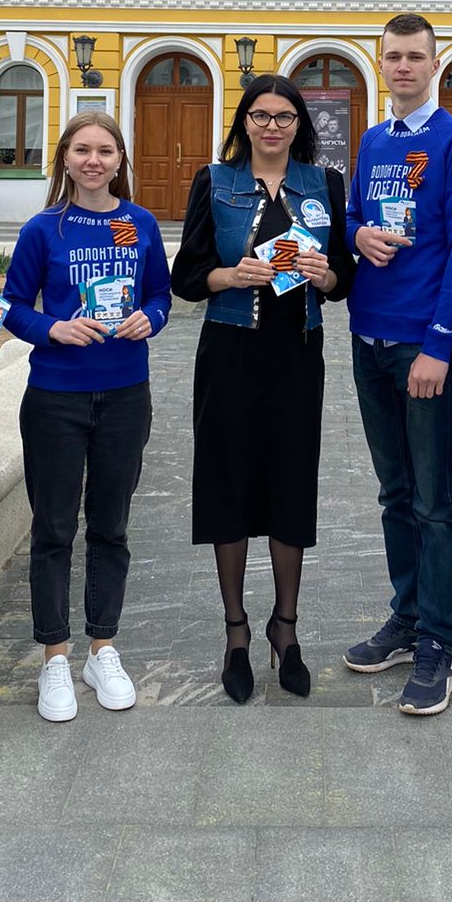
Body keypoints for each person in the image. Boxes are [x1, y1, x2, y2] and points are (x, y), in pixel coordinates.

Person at [171, 73, 354, 703]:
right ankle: (236, 632)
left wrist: (325, 273)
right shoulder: (213, 181)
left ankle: (286, 627)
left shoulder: (324, 184)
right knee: (228, 484)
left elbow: (345, 280)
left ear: (299, 125)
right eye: (260, 115)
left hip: (297, 356)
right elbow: (187, 277)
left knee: (289, 485)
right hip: (229, 354)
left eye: (284, 116)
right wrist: (230, 274)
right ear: (244, 121)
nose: (272, 126)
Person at [3, 112, 171, 723]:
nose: (94, 160)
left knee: (111, 525)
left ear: (120, 159)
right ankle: (54, 656)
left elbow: (161, 295)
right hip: (56, 397)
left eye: (105, 150)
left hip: (126, 393)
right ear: (66, 160)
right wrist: (53, 328)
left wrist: (149, 319)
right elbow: (13, 307)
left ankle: (103, 646)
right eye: (82, 151)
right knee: (53, 529)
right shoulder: (44, 229)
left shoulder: (139, 223)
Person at [343, 12, 452, 716]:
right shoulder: (372, 140)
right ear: (382, 62)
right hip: (366, 335)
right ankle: (406, 617)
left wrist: (438, 342)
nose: (403, 67)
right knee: (394, 492)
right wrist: (359, 231)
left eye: (414, 57)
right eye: (393, 56)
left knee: (436, 501)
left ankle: (439, 641)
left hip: (419, 344)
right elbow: (348, 220)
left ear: (435, 64)